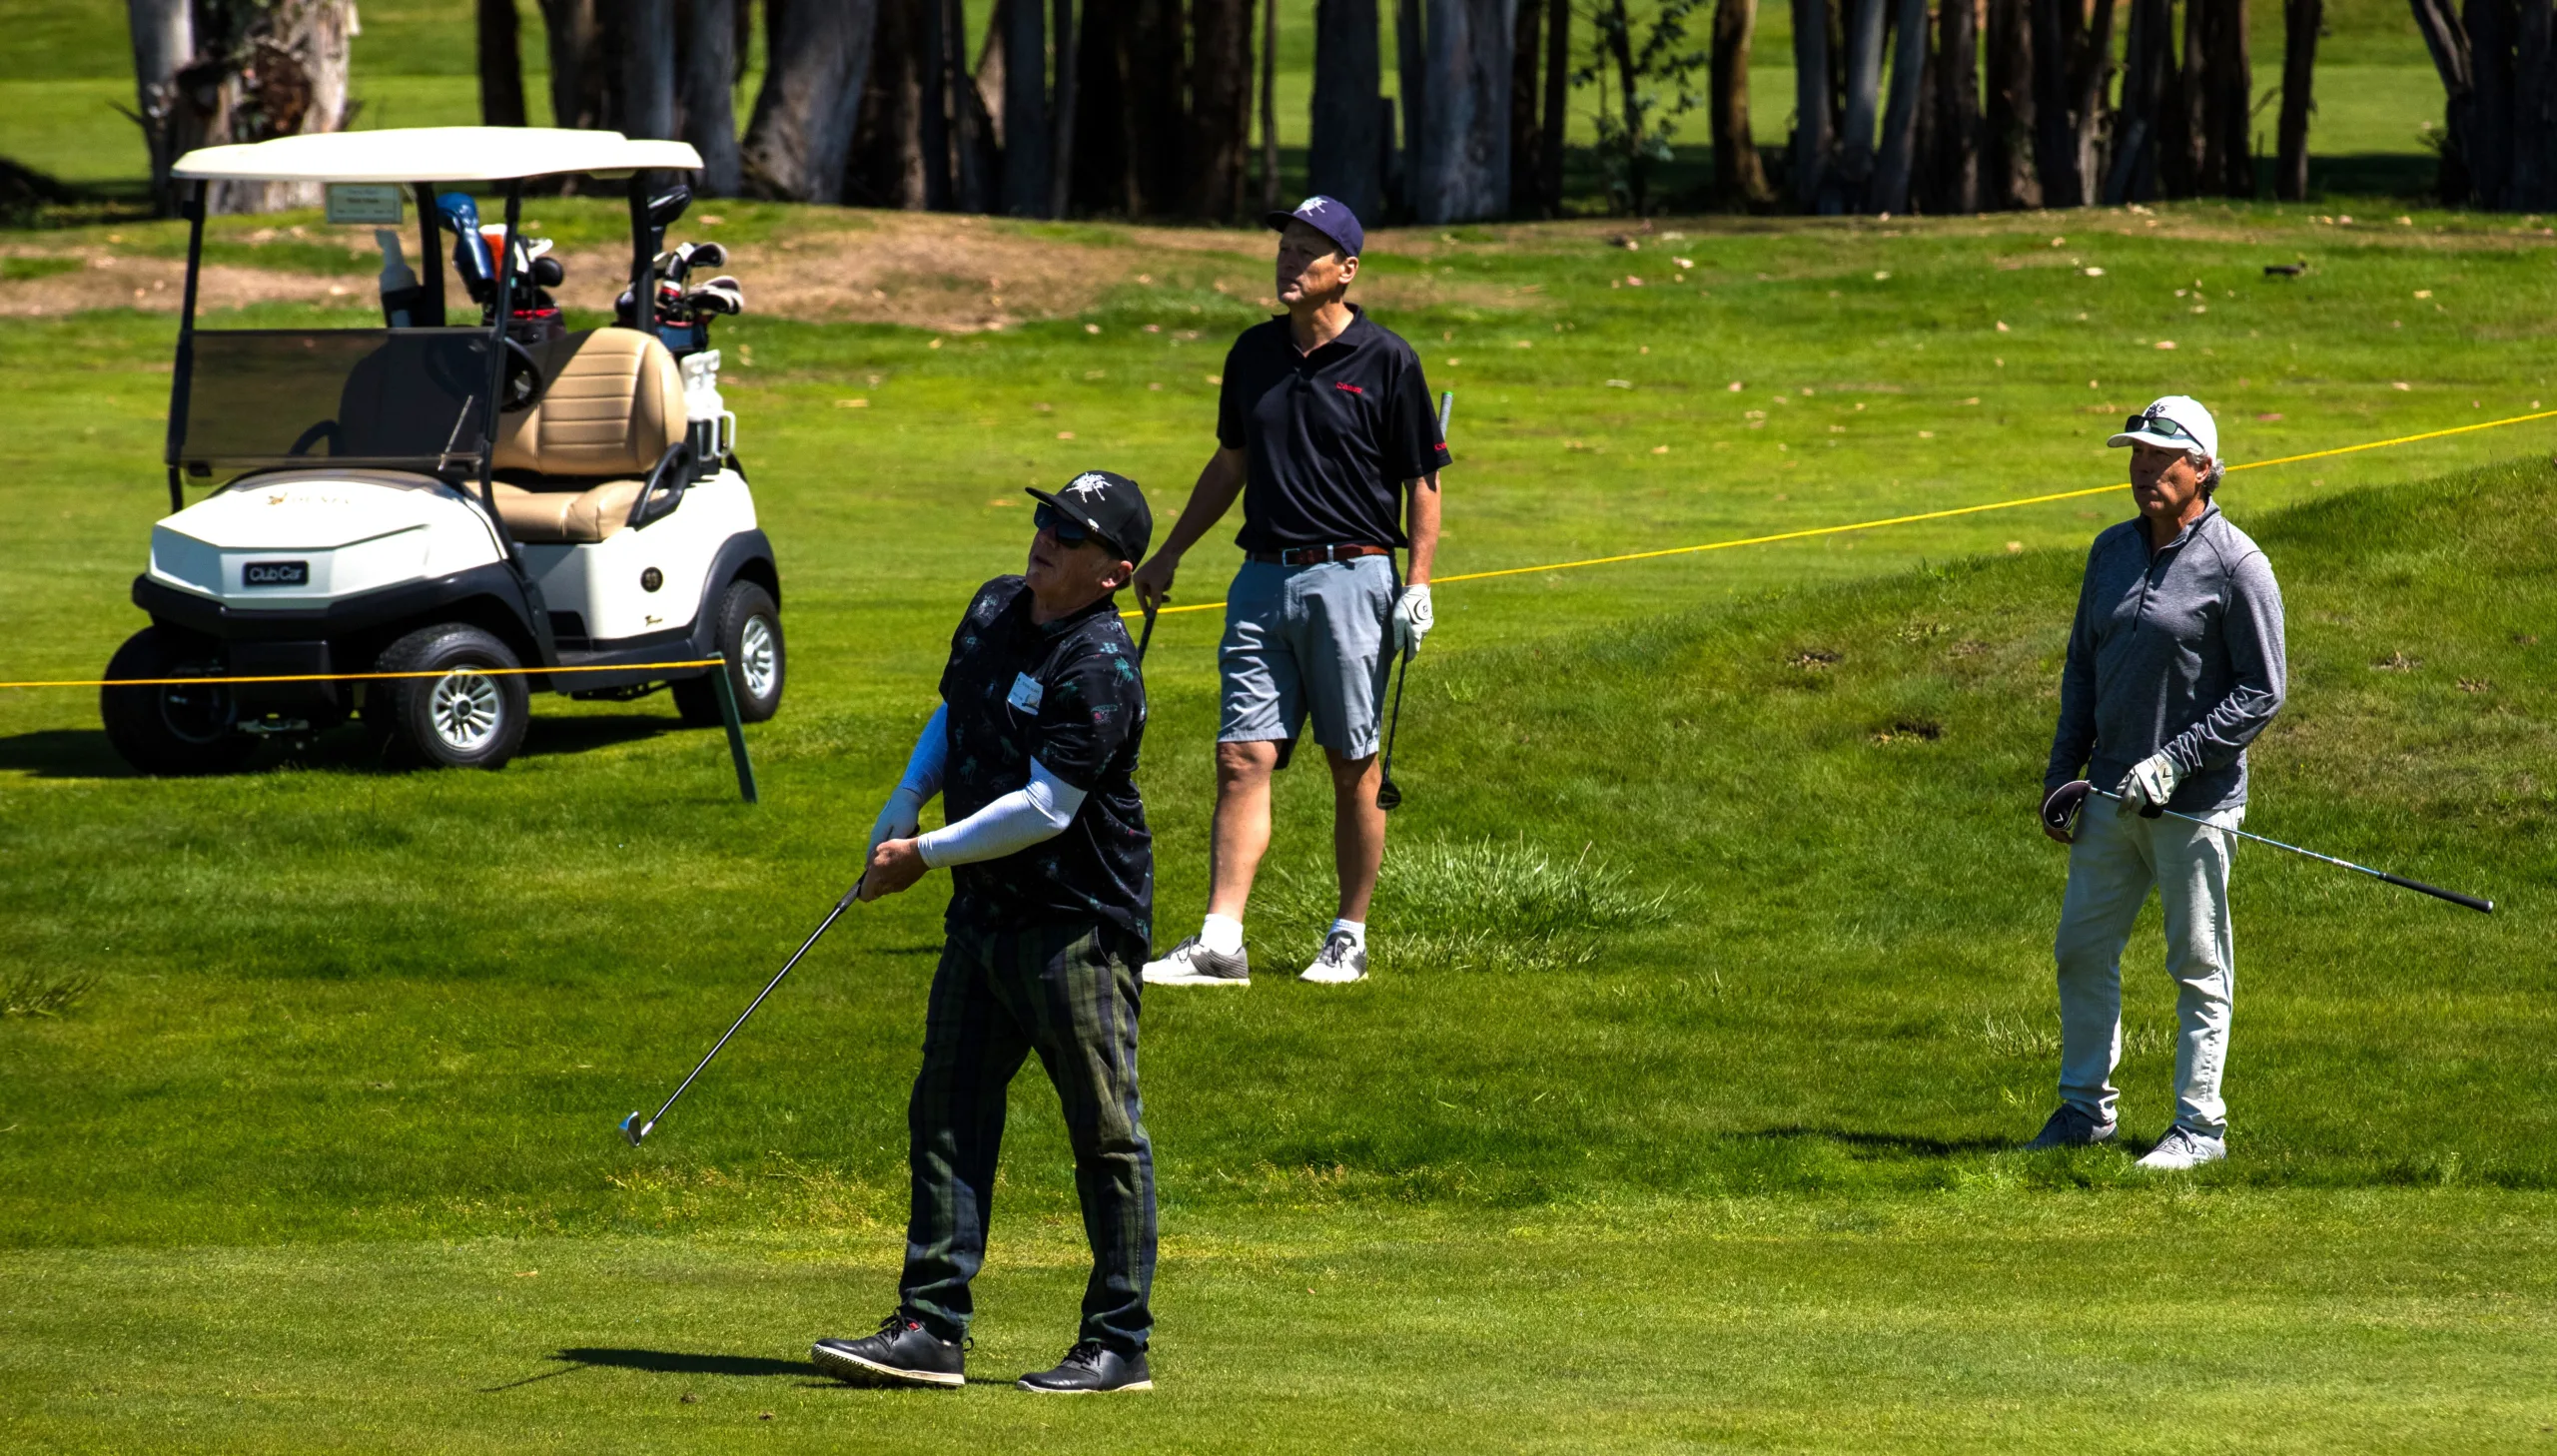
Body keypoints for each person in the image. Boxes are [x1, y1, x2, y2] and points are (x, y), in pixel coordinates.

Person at [811, 470, 1161, 1394]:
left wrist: (923, 854)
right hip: (985, 917)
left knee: (1104, 1133)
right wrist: (902, 804)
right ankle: (932, 1327)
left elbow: (1047, 808)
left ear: (1112, 574)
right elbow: (956, 710)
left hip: (1075, 923)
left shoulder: (1101, 667)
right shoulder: (998, 605)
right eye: (1047, 518)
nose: (1047, 536)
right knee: (949, 1113)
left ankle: (1119, 1342)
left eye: (1072, 534)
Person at [1131, 195, 1448, 989]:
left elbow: (1424, 483)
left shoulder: (1388, 359)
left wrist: (1417, 586)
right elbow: (1231, 465)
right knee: (1241, 756)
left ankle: (1348, 934)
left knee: (1354, 765)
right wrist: (1169, 553)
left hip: (1355, 576)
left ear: (1346, 271)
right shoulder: (1252, 355)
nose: (1287, 263)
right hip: (1263, 578)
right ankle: (1219, 943)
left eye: (1307, 252)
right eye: (1283, 249)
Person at [2033, 396, 2286, 1171]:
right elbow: (2083, 666)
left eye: (2159, 458)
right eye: (2135, 456)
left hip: (2195, 805)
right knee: (2081, 949)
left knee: (2198, 965)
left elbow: (2261, 689)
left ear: (2203, 469)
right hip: (2109, 796)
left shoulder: (2239, 565)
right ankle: (2084, 1113)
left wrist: (2178, 759)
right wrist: (2060, 774)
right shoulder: (2110, 551)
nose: (2143, 469)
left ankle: (2199, 1129)